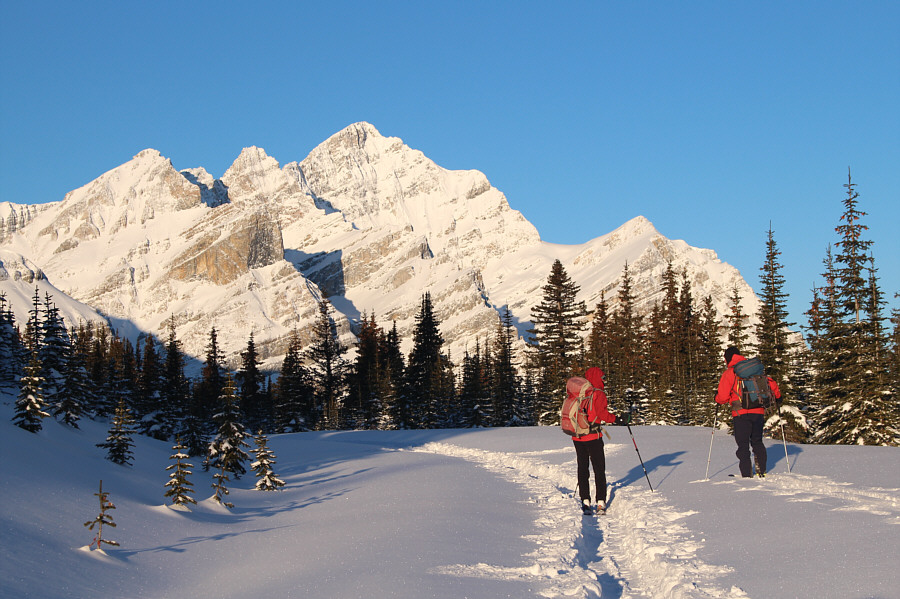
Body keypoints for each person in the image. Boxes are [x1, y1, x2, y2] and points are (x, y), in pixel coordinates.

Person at [715, 346, 782, 478]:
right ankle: (761, 470)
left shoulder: (730, 372)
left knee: (743, 445)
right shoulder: (754, 369)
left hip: (740, 413)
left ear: (727, 358)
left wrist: (716, 398)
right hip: (758, 410)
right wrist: (778, 397)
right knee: (757, 441)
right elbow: (771, 384)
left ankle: (746, 474)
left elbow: (722, 397)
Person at [572, 366, 620, 514]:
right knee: (599, 469)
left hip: (577, 436)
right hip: (593, 436)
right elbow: (603, 414)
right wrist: (617, 419)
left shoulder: (578, 392)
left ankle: (585, 501)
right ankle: (600, 502)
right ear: (597, 378)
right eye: (602, 377)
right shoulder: (598, 393)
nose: (604, 380)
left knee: (583, 467)